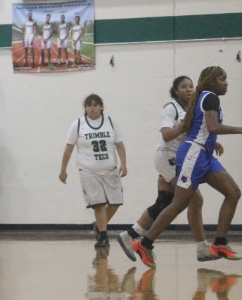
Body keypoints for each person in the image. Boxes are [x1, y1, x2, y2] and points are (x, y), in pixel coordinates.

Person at [133, 66, 242, 269]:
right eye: (222, 79)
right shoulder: (210, 97)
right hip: (194, 154)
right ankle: (144, 243)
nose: (227, 83)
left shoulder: (202, 98)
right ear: (212, 81)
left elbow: (200, 127)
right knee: (179, 203)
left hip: (204, 154)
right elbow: (213, 127)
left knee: (233, 192)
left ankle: (220, 243)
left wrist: (212, 142)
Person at [117, 76, 219, 262]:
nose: (189, 89)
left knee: (164, 202)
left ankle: (129, 235)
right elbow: (166, 135)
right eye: (183, 86)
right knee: (194, 199)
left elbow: (194, 133)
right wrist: (182, 127)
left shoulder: (194, 107)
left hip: (182, 157)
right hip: (168, 157)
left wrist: (212, 141)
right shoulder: (170, 108)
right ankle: (201, 247)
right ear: (175, 90)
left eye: (191, 86)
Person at [59, 94, 127, 247]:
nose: (92, 108)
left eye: (95, 105)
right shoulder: (78, 124)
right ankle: (103, 236)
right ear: (85, 108)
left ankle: (98, 226)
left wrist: (124, 164)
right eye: (89, 105)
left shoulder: (111, 122)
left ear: (101, 107)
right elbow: (69, 148)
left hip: (110, 170)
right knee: (99, 204)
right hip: (88, 171)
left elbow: (119, 145)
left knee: (115, 203)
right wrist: (63, 170)